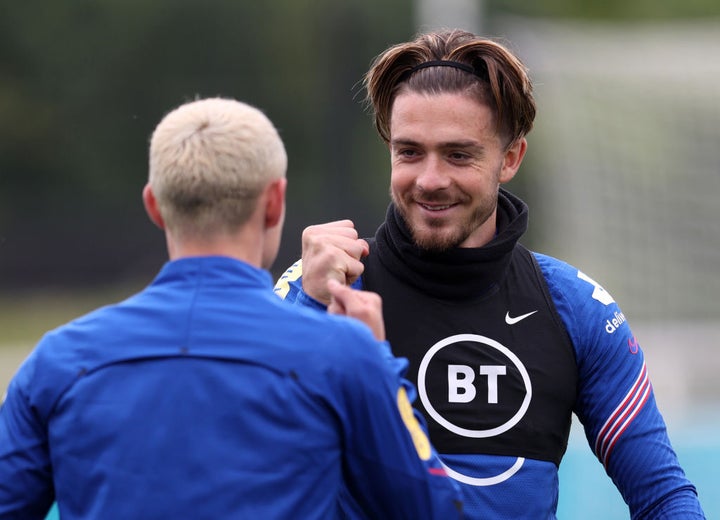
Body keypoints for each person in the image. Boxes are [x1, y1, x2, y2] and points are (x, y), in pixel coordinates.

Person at [274, 29, 706, 519]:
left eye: (459, 154)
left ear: (510, 159)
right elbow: (252, 456)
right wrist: (308, 306)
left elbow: (664, 498)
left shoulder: (573, 306)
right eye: (410, 152)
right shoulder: (326, 284)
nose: (430, 180)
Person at [0, 97, 463, 519]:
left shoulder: (59, 360)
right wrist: (377, 360)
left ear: (155, 206)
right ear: (275, 202)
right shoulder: (344, 355)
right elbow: (432, 509)